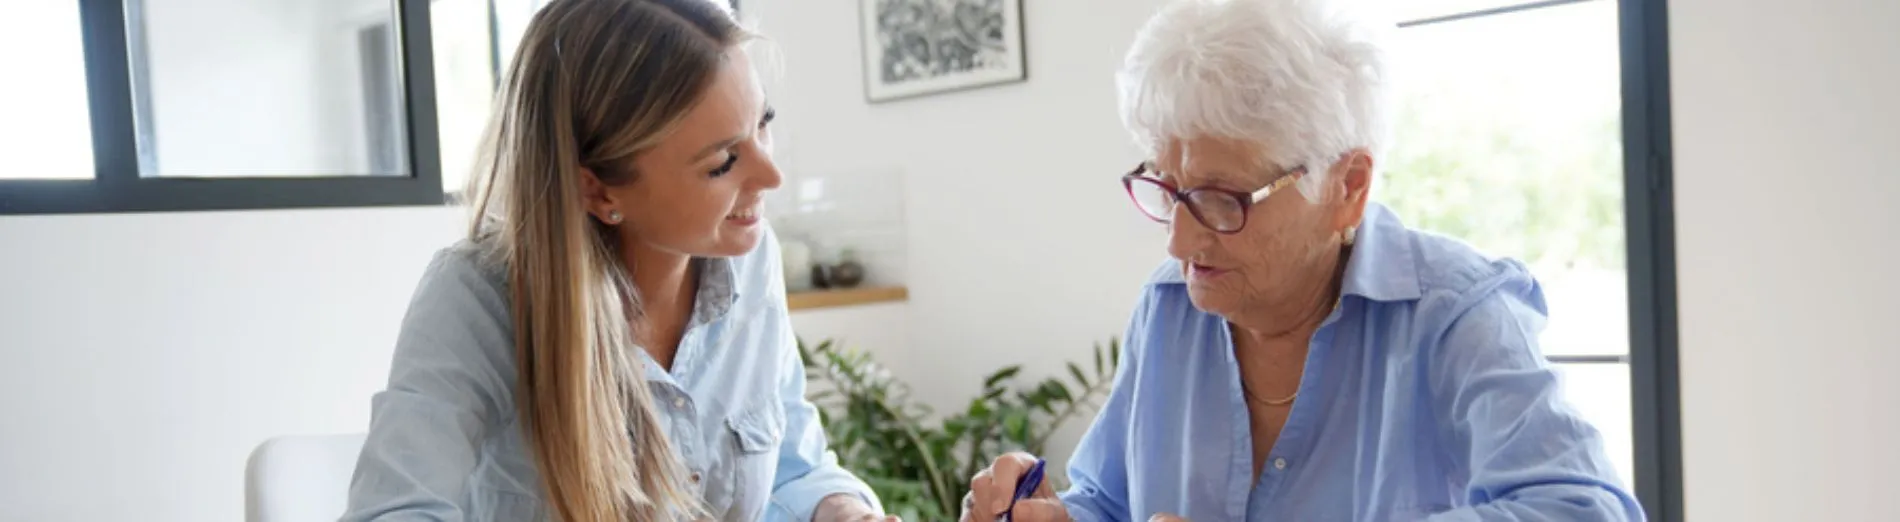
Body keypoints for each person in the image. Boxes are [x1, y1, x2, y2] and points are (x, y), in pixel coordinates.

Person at [961, 0, 1645, 520]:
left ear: (1347, 188)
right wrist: (1052, 511)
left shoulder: (1455, 314)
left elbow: (1585, 508)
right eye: (1168, 190)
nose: (1179, 242)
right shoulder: (1170, 306)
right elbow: (1109, 501)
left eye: (1223, 200)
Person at [340, 1, 892, 521]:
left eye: (762, 124)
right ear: (599, 191)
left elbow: (794, 466)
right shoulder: (479, 297)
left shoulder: (750, 258)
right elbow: (395, 509)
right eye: (723, 161)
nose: (772, 176)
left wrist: (840, 509)